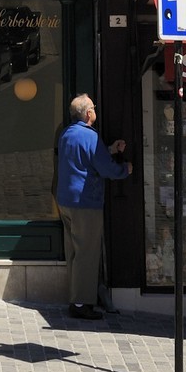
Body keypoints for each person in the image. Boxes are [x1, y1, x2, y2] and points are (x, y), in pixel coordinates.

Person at [56, 93, 131, 320]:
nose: (95, 110)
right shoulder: (89, 136)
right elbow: (104, 168)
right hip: (85, 203)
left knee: (74, 254)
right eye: (94, 108)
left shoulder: (66, 133)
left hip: (65, 200)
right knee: (87, 255)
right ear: (89, 113)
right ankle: (80, 304)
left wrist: (109, 150)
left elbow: (85, 158)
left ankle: (76, 297)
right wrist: (124, 169)